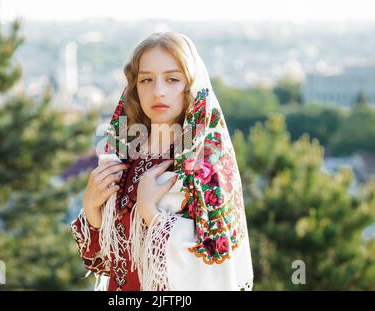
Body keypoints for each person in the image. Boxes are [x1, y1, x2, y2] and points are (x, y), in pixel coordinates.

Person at [70, 32, 253, 291]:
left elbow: (219, 266)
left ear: (191, 85)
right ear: (134, 88)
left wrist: (150, 212)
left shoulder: (205, 165)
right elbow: (104, 265)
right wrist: (91, 207)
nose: (158, 91)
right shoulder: (123, 157)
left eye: (172, 79)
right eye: (146, 80)